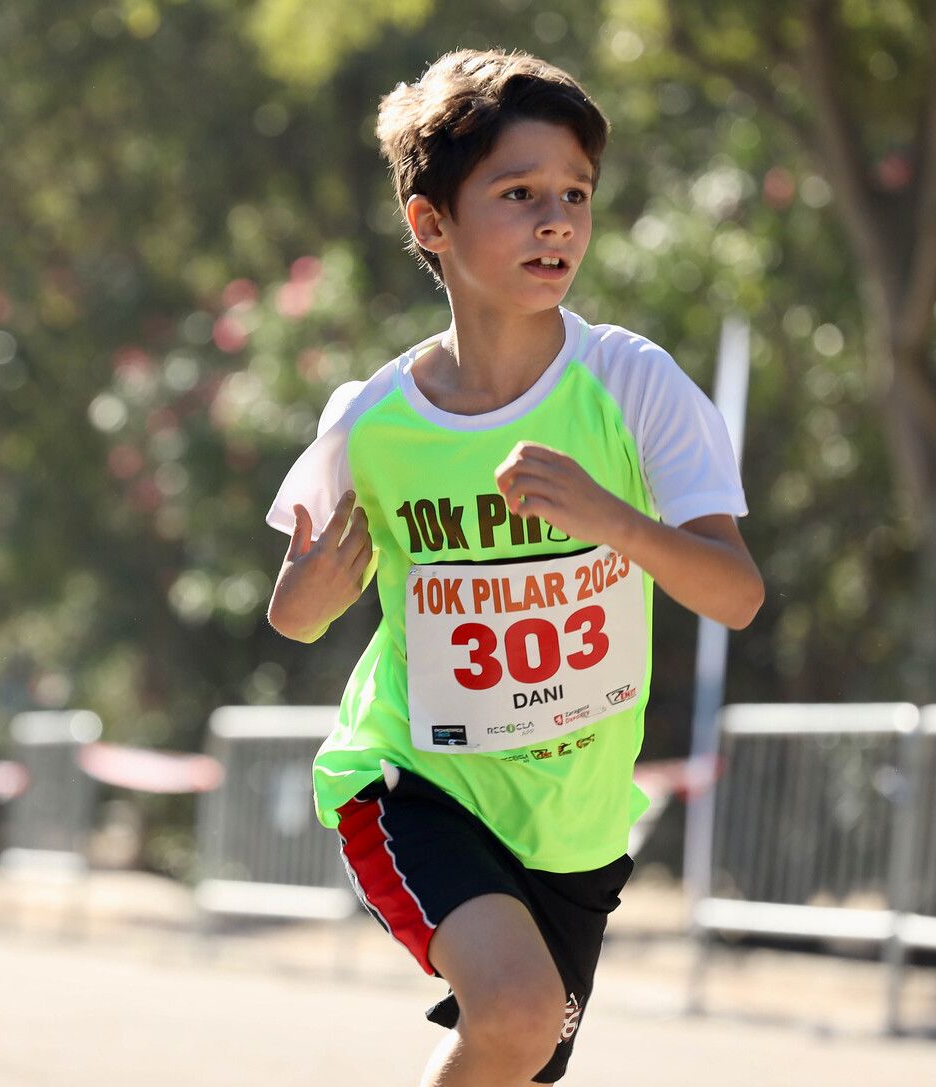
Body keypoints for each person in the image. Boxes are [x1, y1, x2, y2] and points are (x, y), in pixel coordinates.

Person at [264, 48, 764, 1086]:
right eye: (520, 193)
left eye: (575, 195)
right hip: (415, 779)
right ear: (429, 223)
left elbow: (736, 592)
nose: (557, 221)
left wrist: (610, 519)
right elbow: (296, 614)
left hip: (575, 825)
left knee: (517, 1057)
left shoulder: (633, 385)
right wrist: (316, 581)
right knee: (521, 1012)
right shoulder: (372, 420)